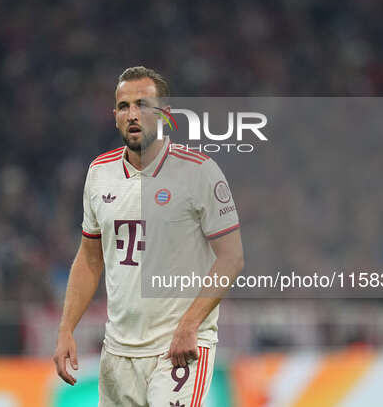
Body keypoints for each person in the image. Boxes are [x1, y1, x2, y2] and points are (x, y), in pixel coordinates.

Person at [53, 66, 243, 407]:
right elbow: (89, 258)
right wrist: (66, 328)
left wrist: (190, 324)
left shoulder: (199, 172)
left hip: (178, 347)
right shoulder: (99, 174)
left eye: (143, 104)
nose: (133, 114)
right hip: (119, 353)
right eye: (124, 106)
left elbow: (231, 258)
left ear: (166, 115)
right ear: (115, 117)